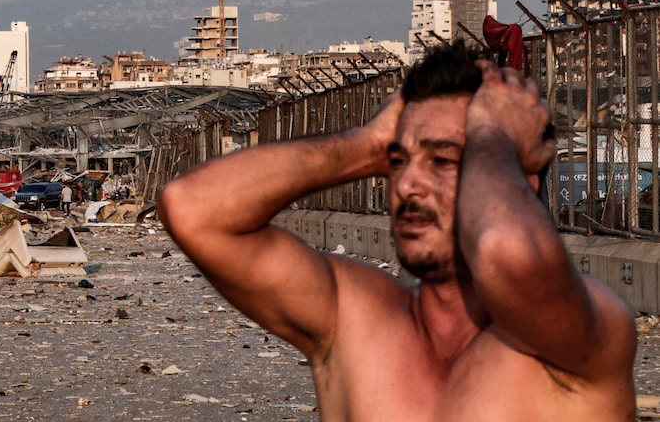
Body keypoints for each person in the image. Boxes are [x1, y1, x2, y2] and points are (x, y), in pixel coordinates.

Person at [157, 41, 636, 421]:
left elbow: (504, 252)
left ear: (517, 175)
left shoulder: (577, 338)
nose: (406, 184)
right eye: (399, 162)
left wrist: (494, 134)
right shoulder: (354, 321)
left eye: (444, 160)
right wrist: (368, 145)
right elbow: (192, 208)